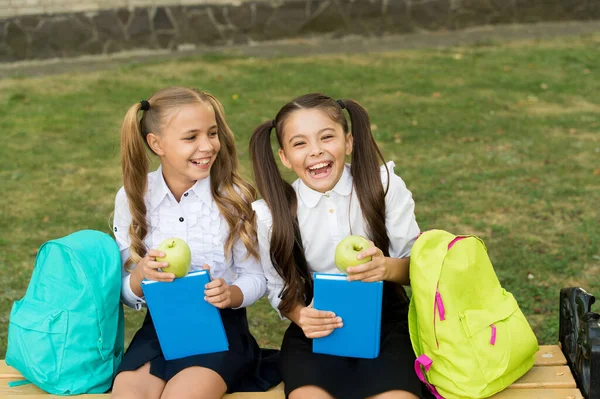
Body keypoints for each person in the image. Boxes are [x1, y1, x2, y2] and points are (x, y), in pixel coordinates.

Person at [249, 93, 424, 399]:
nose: (316, 151)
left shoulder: (382, 186)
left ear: (348, 142)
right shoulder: (271, 215)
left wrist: (386, 267)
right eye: (300, 143)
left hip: (388, 321)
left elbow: (416, 267)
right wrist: (300, 316)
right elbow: (277, 288)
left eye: (327, 137)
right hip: (316, 329)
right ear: (285, 157)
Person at [111, 87, 278, 399]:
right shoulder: (134, 197)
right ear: (155, 143)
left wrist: (231, 294)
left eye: (212, 133)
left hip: (221, 330)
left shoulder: (233, 198)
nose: (207, 146)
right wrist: (139, 277)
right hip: (160, 329)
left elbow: (257, 277)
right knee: (127, 394)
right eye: (191, 137)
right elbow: (123, 290)